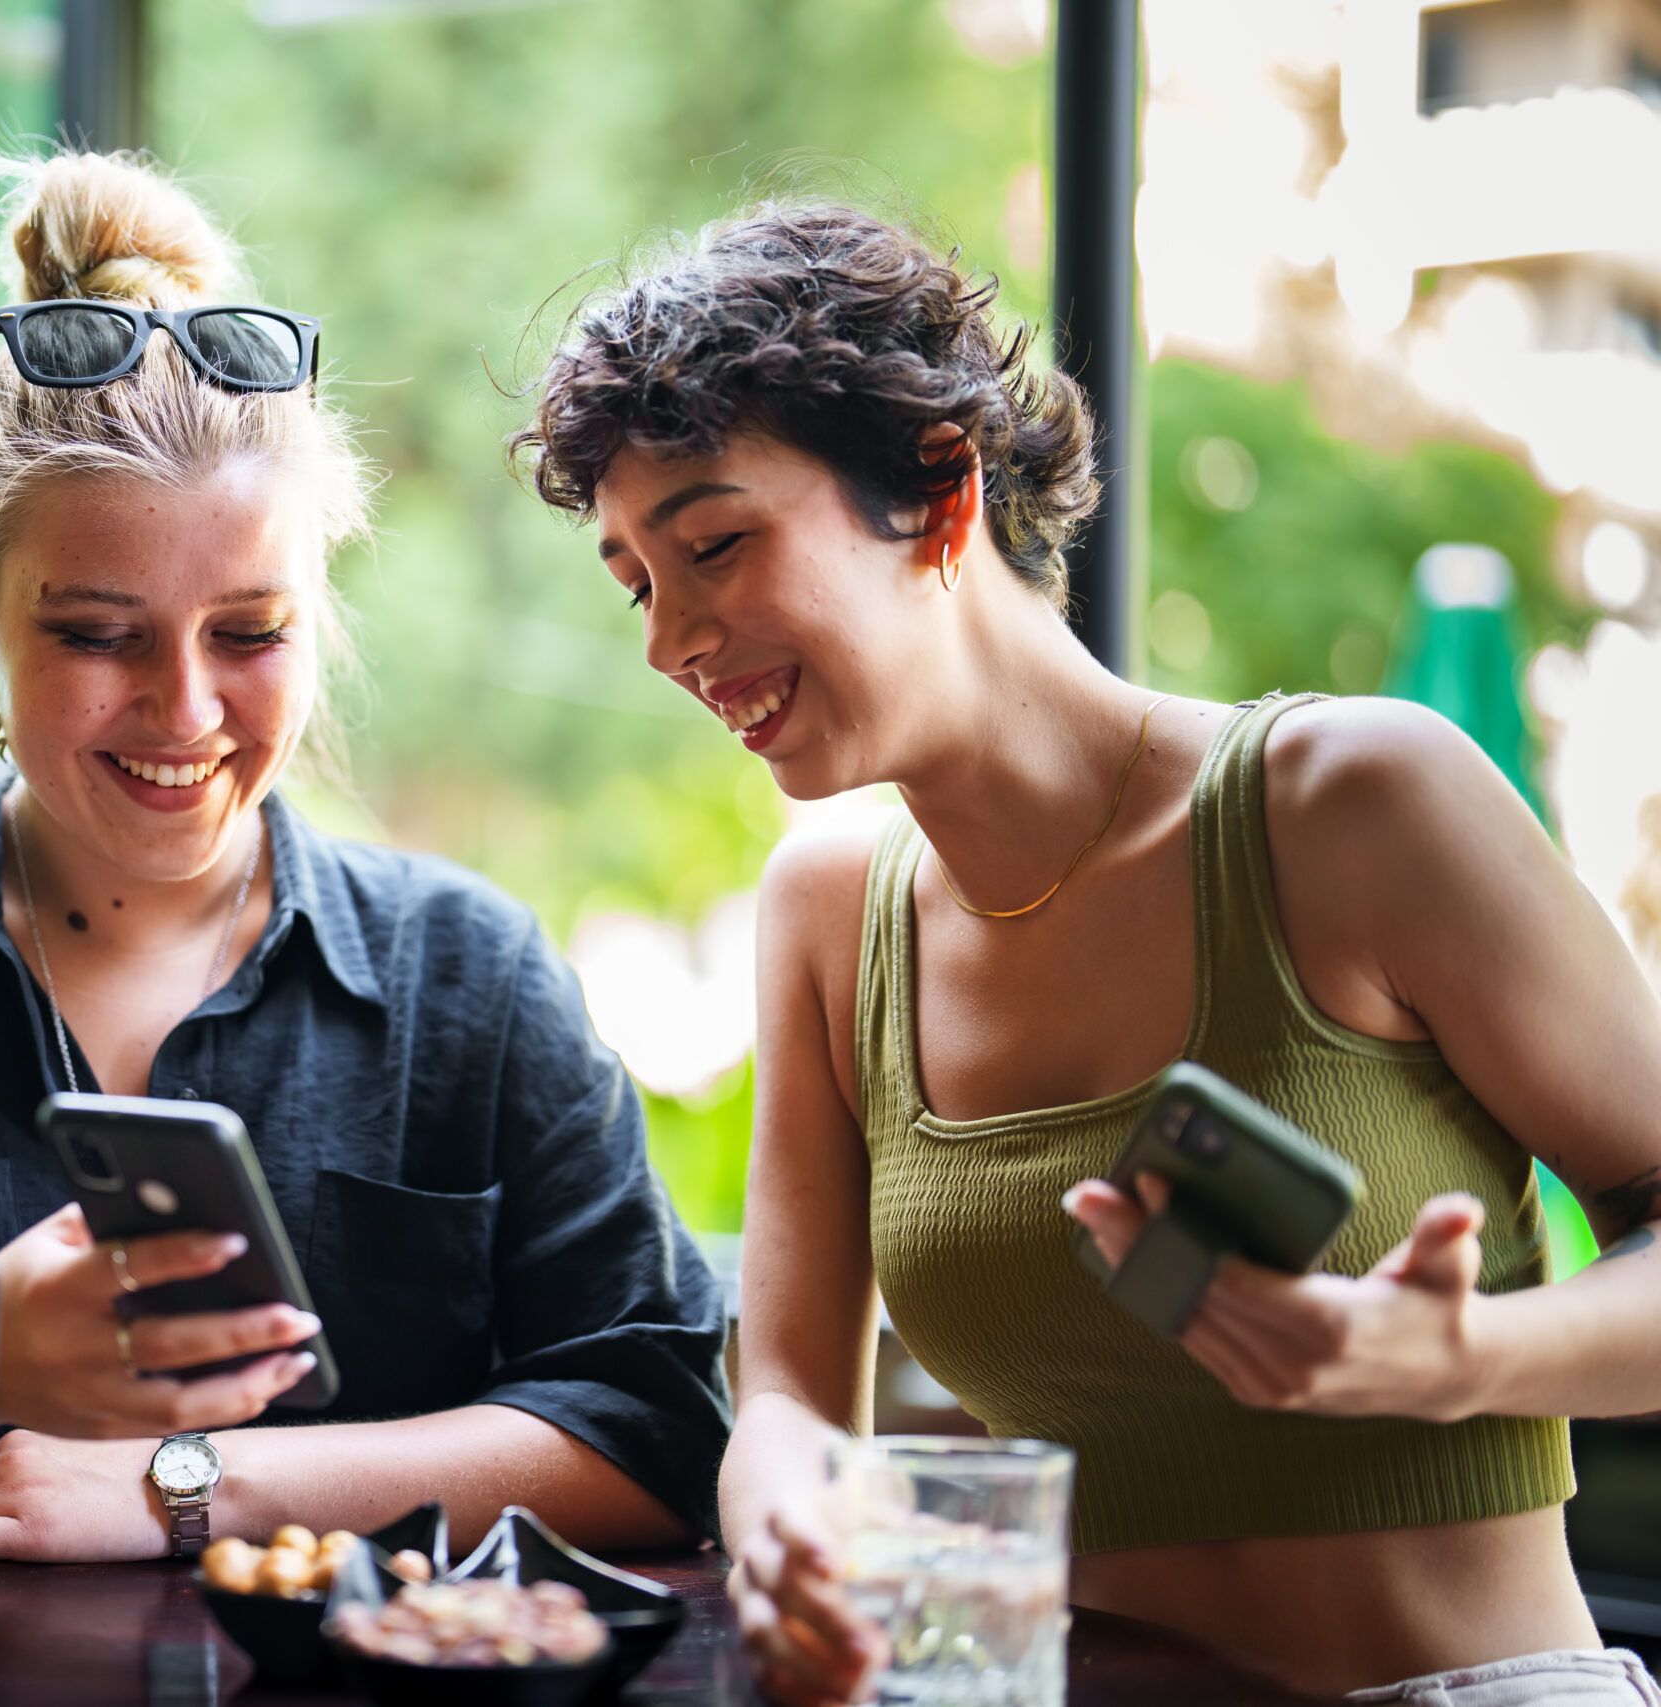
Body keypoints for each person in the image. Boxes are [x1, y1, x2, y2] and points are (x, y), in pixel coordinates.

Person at [511, 199, 1661, 1703]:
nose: (671, 642)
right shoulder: (830, 912)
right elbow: (790, 1389)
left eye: (715, 544)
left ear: (939, 492)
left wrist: (1457, 1365)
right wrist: (782, 1512)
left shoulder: (1355, 804)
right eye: (637, 585)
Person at [0, 152, 728, 1590]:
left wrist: (185, 1486)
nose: (183, 712)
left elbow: (660, 1433)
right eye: (99, 636)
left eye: (249, 633)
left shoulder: (468, 979)